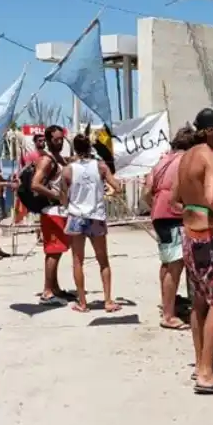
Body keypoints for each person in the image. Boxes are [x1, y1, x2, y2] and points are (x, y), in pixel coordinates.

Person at [173, 107, 213, 394]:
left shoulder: (185, 157)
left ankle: (201, 363)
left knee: (199, 302)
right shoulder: (212, 157)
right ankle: (206, 374)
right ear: (211, 130)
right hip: (209, 235)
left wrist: (193, 210)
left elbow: (175, 199)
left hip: (189, 235)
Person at [60, 134, 123, 313]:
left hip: (76, 216)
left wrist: (69, 206)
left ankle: (82, 302)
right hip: (96, 216)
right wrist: (105, 192)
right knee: (103, 260)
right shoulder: (101, 167)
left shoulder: (68, 169)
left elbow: (63, 196)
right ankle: (108, 300)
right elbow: (117, 187)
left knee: (77, 261)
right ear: (90, 147)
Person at [143, 126, 195, 330]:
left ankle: (169, 305)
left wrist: (157, 205)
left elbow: (146, 192)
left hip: (159, 213)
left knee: (167, 264)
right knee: (175, 265)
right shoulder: (185, 161)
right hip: (175, 215)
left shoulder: (161, 162)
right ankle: (169, 314)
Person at [31, 125, 74, 306]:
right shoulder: (46, 161)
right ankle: (47, 292)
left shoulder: (58, 159)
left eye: (60, 139)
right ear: (48, 141)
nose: (59, 142)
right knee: (53, 251)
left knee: (59, 250)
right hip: (52, 211)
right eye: (55, 140)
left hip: (61, 211)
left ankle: (55, 288)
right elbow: (35, 184)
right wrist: (56, 196)